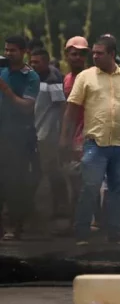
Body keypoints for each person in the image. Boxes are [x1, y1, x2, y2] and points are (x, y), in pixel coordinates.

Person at [62, 36, 120, 246]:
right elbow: (72, 110)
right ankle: (82, 233)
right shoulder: (85, 77)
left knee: (116, 191)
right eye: (94, 53)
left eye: (99, 53)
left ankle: (114, 233)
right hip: (95, 143)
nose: (94, 56)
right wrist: (64, 138)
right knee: (89, 188)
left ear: (112, 54)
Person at [0, 36, 41, 240]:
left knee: (14, 181)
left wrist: (6, 90)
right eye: (6, 49)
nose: (8, 54)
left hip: (18, 136)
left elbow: (27, 106)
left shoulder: (31, 77)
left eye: (13, 50)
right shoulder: (1, 69)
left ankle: (15, 225)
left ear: (24, 52)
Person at [29, 48, 69, 223]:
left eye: (36, 62)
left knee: (52, 171)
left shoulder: (52, 79)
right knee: (36, 171)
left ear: (45, 62)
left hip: (47, 134)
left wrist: (61, 132)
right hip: (33, 132)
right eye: (31, 61)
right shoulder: (31, 77)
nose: (33, 64)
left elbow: (61, 106)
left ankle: (61, 208)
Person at [62, 36, 89, 215]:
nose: (77, 57)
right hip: (73, 135)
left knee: (88, 182)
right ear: (67, 55)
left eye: (81, 54)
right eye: (74, 54)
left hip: (89, 135)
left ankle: (93, 221)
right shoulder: (67, 79)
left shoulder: (91, 78)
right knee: (74, 180)